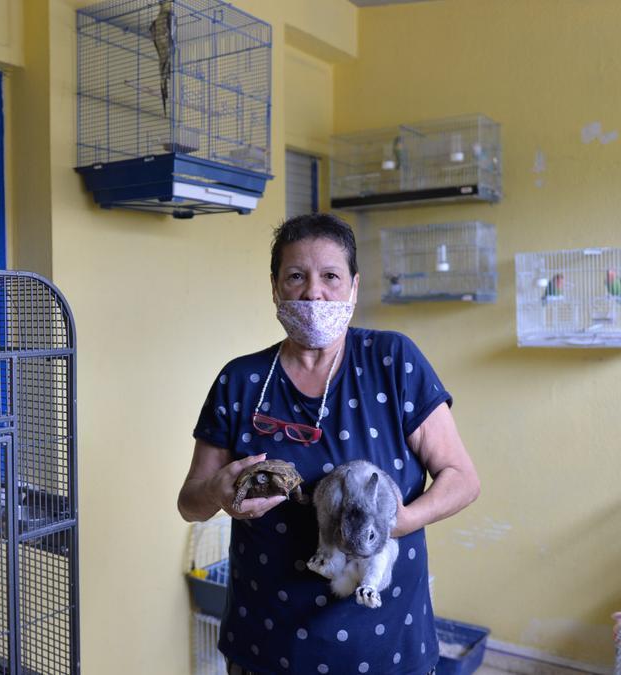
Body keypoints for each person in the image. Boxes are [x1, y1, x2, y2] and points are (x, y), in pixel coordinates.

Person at [177, 213, 480, 675]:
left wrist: (397, 522)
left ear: (354, 287)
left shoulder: (393, 362)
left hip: (384, 646)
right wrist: (219, 491)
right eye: (296, 276)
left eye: (331, 277)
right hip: (267, 644)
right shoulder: (241, 380)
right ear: (275, 287)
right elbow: (189, 503)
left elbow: (462, 478)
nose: (313, 292)